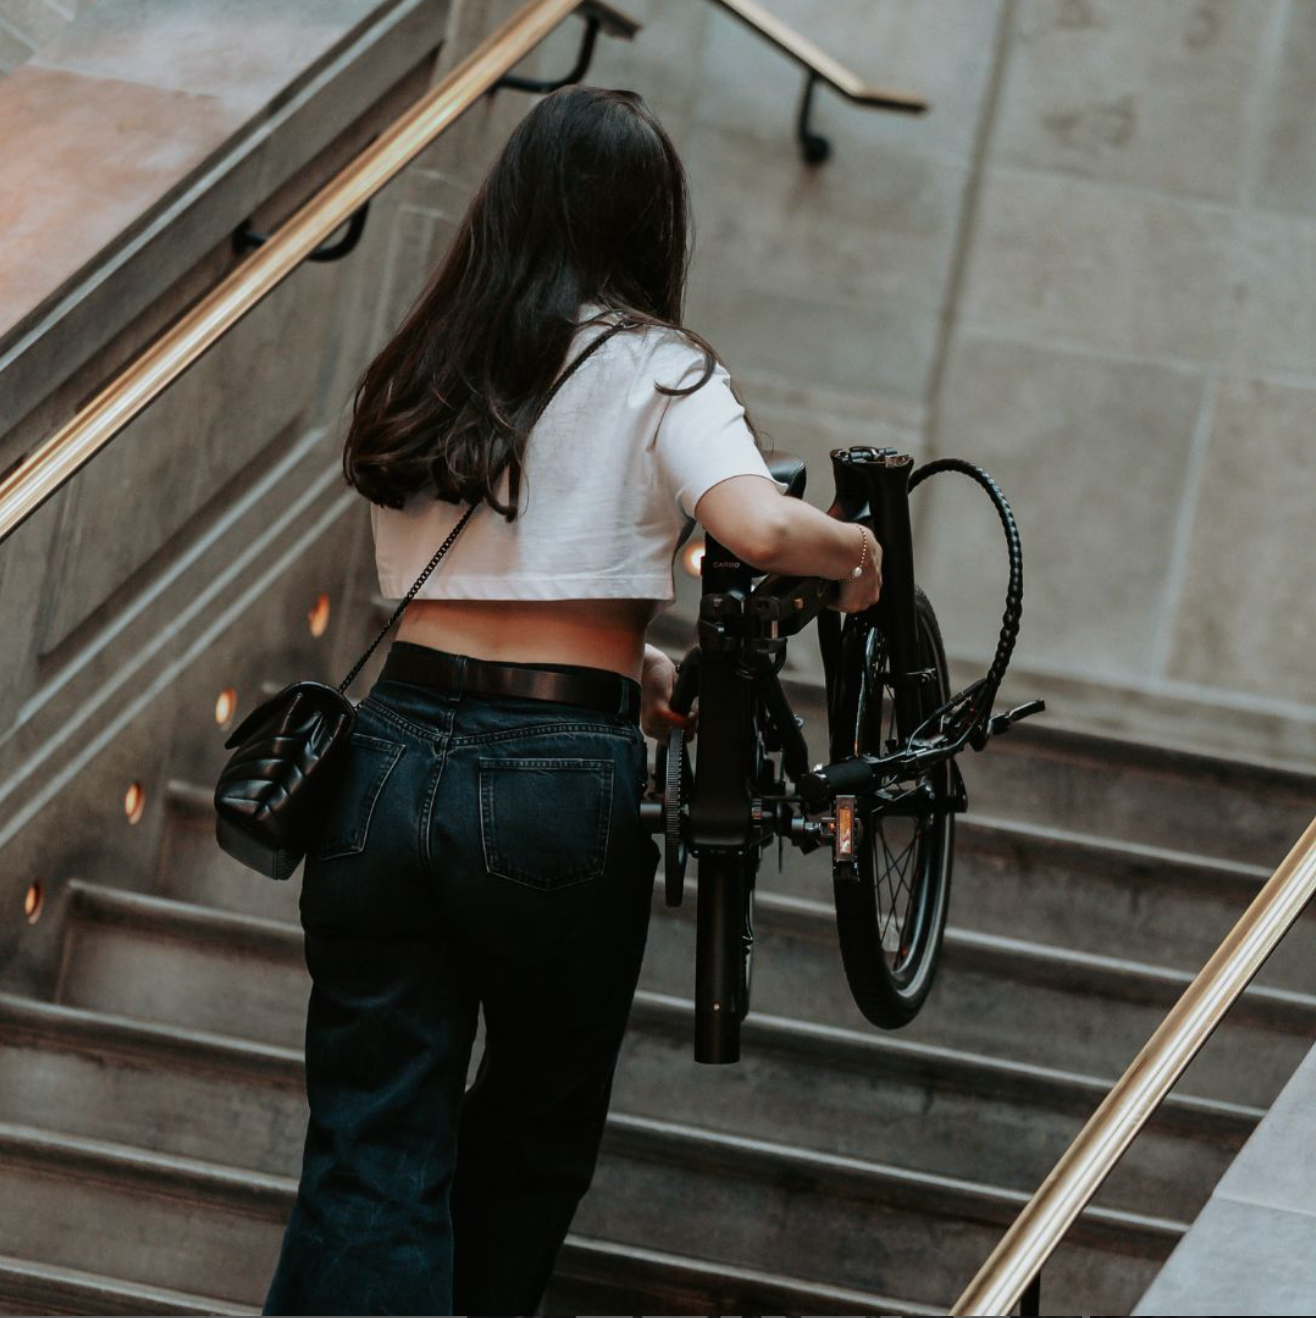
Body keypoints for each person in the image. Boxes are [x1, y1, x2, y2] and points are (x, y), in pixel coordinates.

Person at [261, 84, 882, 1317]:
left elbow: (497, 573)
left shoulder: (431, 354)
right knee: (533, 1126)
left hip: (382, 764)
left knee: (367, 1143)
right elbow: (753, 524)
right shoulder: (659, 367)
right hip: (548, 783)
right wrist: (860, 558)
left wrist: (633, 666)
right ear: (648, 223)